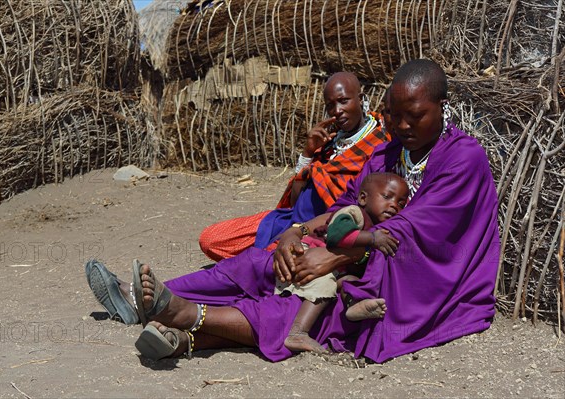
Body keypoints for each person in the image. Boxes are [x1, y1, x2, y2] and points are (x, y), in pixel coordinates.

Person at [86, 59, 500, 363]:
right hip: (350, 242)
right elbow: (344, 204)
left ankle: (182, 314)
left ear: (442, 106)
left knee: (313, 303)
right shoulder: (387, 150)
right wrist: (297, 234)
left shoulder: (462, 158)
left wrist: (334, 255)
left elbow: (417, 227)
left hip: (412, 276)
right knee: (262, 263)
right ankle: (156, 307)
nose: (405, 127)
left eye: (416, 116)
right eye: (397, 117)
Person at [199, 72, 390, 261]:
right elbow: (295, 199)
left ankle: (256, 262)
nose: (337, 111)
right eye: (330, 106)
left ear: (361, 98)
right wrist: (308, 153)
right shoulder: (331, 142)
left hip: (321, 232)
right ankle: (257, 258)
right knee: (211, 240)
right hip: (290, 220)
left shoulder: (379, 144)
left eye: (343, 101)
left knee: (265, 264)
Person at [280, 172, 408, 353]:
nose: (394, 205)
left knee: (350, 281)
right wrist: (372, 238)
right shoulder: (353, 213)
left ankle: (353, 307)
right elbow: (337, 235)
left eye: (401, 204)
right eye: (387, 197)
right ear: (363, 198)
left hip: (335, 270)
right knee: (324, 286)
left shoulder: (372, 223)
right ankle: (298, 332)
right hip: (308, 259)